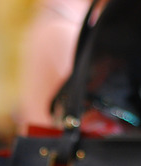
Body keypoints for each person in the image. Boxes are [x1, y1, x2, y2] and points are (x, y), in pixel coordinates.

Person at [15, 0, 92, 134]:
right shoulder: (63, 29)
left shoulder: (55, 20)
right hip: (51, 145)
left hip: (45, 143)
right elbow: (88, 101)